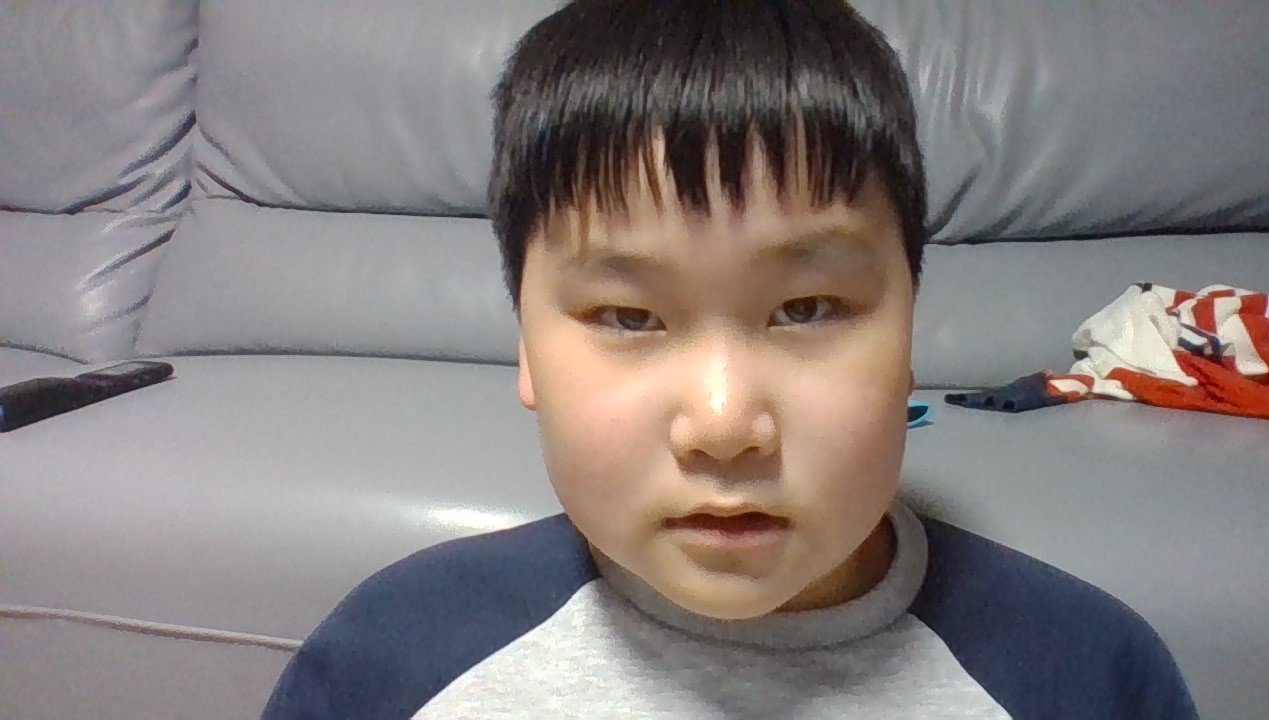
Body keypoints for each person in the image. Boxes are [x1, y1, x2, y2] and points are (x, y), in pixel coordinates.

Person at [263, 2, 1198, 718]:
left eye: (806, 309)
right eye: (628, 317)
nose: (722, 425)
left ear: (910, 339)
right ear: (528, 354)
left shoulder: (1090, 676)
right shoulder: (394, 663)